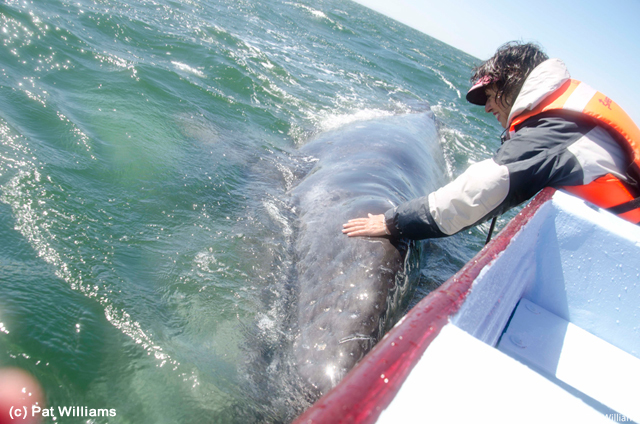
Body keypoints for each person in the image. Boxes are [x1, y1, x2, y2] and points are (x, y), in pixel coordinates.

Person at [343, 41, 640, 240]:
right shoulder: (569, 110)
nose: (486, 107)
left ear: (511, 79)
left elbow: (486, 185)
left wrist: (394, 222)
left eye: (488, 95)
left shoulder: (557, 129)